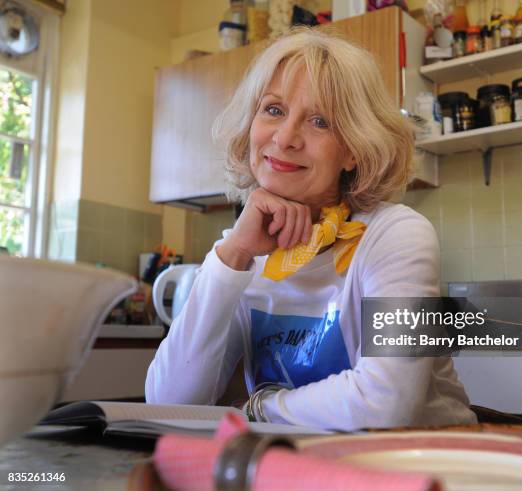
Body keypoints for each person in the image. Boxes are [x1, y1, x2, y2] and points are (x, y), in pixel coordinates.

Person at [145, 27, 477, 431]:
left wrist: (260, 407)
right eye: (273, 110)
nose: (285, 138)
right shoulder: (243, 252)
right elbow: (168, 403)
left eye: (319, 121)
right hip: (299, 466)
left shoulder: (400, 235)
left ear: (354, 148)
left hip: (424, 461)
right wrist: (232, 255)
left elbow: (389, 404)